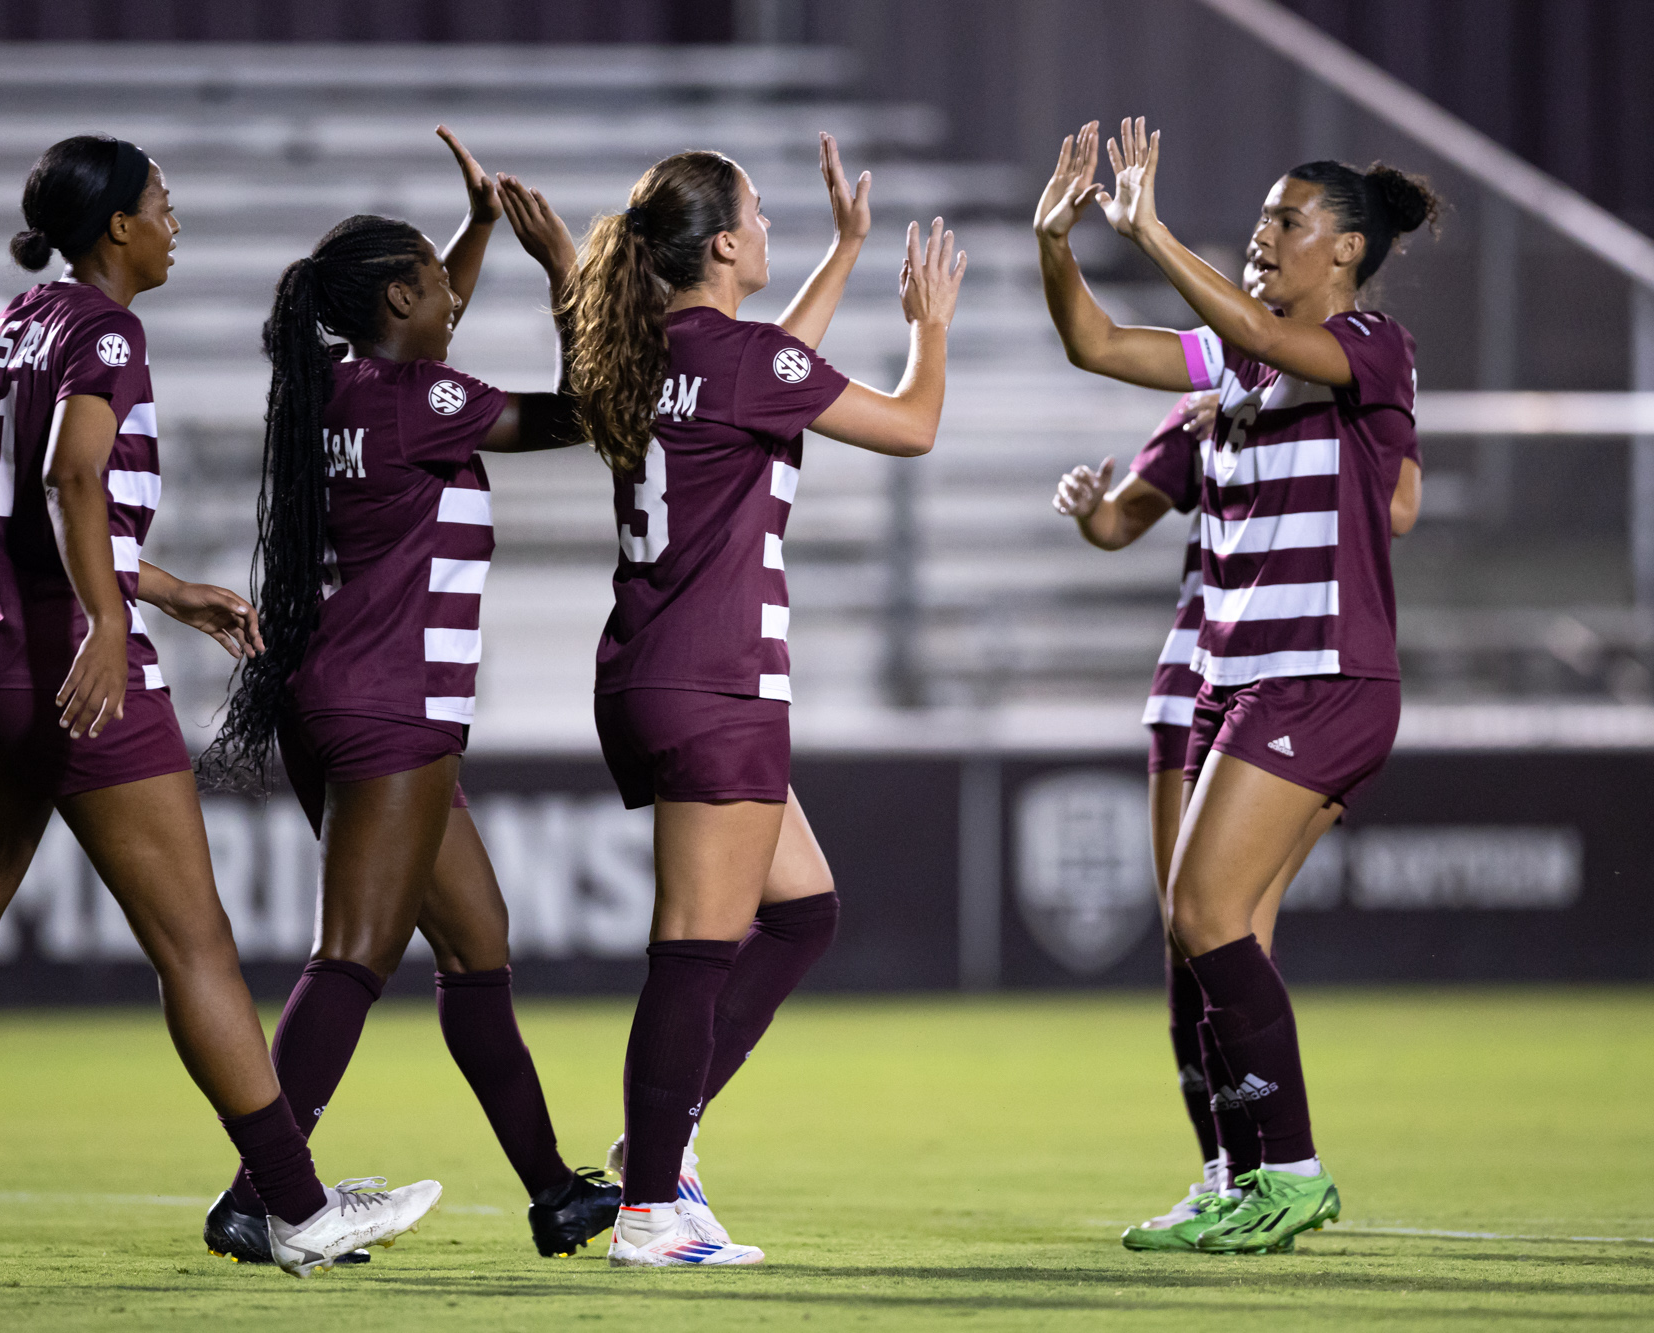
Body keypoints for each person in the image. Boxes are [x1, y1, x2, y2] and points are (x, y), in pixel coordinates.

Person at [0, 135, 440, 1287]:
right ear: (113, 232)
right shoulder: (104, 330)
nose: (174, 220)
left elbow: (27, 508)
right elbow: (72, 478)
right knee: (193, 944)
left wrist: (166, 587)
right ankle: (295, 1207)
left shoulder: (18, 318)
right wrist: (108, 623)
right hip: (56, 660)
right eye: (160, 203)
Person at [193, 128, 617, 1263]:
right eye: (435, 282)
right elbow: (583, 415)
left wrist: (468, 233)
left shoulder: (335, 385)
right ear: (395, 295)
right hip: (390, 705)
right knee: (356, 953)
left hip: (333, 695)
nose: (452, 298)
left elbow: (424, 335)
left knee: (479, 945)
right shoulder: (421, 402)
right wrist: (558, 274)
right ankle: (257, 1193)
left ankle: (553, 1191)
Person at [564, 134, 966, 1266]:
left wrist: (841, 251)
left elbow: (768, 367)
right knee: (692, 946)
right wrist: (929, 321)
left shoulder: (650, 353)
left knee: (799, 911)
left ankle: (665, 1137)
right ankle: (648, 1204)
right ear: (728, 244)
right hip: (717, 678)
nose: (772, 226)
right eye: (762, 214)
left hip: (647, 673)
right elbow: (912, 425)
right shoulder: (739, 362)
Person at [1036, 119, 1434, 1253]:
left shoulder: (1370, 344)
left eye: (1286, 220)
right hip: (1241, 683)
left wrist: (1149, 229)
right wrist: (1051, 243)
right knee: (1214, 927)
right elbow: (1098, 346)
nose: (1262, 234)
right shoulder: (1239, 372)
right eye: (1259, 219)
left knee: (1201, 913)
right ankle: (1244, 1172)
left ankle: (1289, 1169)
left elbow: (1260, 330)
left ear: (1346, 252)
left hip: (1320, 675)